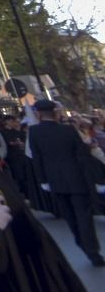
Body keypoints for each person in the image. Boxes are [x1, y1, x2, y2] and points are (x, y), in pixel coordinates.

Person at [28, 99, 104, 265]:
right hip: (77, 179)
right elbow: (82, 156)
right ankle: (92, 250)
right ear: (55, 113)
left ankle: (82, 243)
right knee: (84, 216)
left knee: (70, 216)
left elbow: (37, 158)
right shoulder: (68, 130)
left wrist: (43, 180)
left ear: (38, 113)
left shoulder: (34, 132)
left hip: (55, 181)